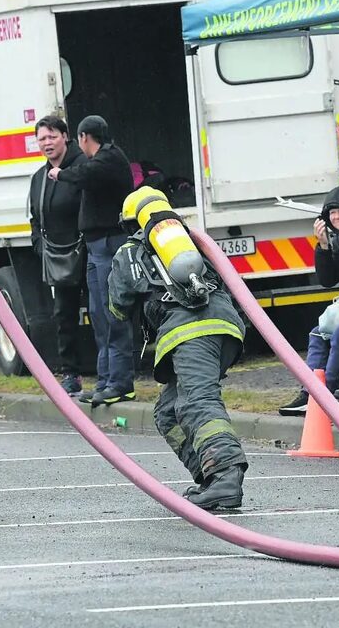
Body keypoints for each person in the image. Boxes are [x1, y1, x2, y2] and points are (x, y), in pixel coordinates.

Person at [109, 187, 247, 510]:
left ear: (130, 223)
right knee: (168, 411)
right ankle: (209, 474)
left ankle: (226, 474)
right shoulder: (193, 242)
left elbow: (117, 308)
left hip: (189, 332)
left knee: (197, 402)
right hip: (226, 328)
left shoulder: (130, 252)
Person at [49, 115, 135, 406]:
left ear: (85, 137)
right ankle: (105, 381)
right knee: (99, 315)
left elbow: (83, 175)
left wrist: (59, 173)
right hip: (97, 246)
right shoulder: (101, 160)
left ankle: (120, 382)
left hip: (110, 245)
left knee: (113, 314)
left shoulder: (109, 159)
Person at [278, 185, 339, 415]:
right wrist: (324, 246)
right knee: (318, 332)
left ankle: (323, 395)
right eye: (331, 213)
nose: (336, 217)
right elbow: (328, 280)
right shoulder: (338, 239)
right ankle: (309, 391)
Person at [29, 115, 87, 397]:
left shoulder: (83, 167)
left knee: (102, 312)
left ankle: (112, 372)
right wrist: (39, 245)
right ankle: (71, 374)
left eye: (52, 136)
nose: (47, 143)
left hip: (87, 252)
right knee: (63, 316)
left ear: (66, 136)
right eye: (42, 139)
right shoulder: (38, 178)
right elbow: (34, 218)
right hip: (58, 259)